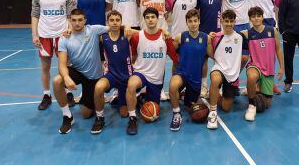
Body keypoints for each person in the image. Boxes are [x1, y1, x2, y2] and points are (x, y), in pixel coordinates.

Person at [52, 9, 114, 134]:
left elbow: (115, 26)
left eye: (80, 20)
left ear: (85, 21)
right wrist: (66, 77)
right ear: (70, 21)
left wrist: (128, 27)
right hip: (78, 72)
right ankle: (67, 116)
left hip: (93, 77)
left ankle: (98, 105)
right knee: (57, 80)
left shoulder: (93, 30)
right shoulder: (64, 38)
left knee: (86, 114)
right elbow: (62, 64)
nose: (77, 23)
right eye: (74, 20)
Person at [125, 7, 179, 135]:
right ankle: (132, 118)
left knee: (153, 110)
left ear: (157, 19)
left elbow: (175, 58)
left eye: (152, 17)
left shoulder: (165, 37)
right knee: (131, 85)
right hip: (141, 73)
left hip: (156, 79)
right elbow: (132, 56)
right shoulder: (137, 37)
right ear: (144, 20)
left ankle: (140, 98)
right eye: (147, 17)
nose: (150, 20)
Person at [31, 0, 75, 110]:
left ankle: (68, 92)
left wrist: (70, 30)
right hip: (44, 36)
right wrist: (34, 35)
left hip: (62, 36)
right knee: (45, 66)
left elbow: (71, 15)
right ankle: (46, 95)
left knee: (64, 66)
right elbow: (35, 15)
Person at [169, 9, 213, 131]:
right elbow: (172, 54)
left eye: (195, 21)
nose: (193, 24)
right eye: (190, 21)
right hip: (182, 73)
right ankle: (176, 114)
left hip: (195, 79)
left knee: (191, 106)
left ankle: (184, 96)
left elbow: (212, 55)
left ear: (199, 22)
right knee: (173, 86)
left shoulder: (206, 38)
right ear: (186, 22)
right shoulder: (180, 37)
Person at [91, 10, 133, 134]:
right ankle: (100, 117)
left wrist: (163, 31)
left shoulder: (127, 33)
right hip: (111, 74)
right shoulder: (102, 36)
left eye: (117, 20)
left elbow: (145, 32)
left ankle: (122, 97)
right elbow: (86, 32)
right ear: (107, 22)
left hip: (126, 76)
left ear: (121, 22)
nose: (115, 23)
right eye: (112, 20)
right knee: (99, 87)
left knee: (124, 114)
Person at [206, 10, 249, 130]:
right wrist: (209, 41)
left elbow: (246, 56)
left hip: (233, 75)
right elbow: (210, 54)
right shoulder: (216, 37)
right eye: (226, 21)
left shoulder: (240, 37)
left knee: (226, 108)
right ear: (221, 21)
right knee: (215, 80)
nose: (229, 24)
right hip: (219, 69)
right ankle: (213, 112)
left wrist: (238, 71)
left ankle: (215, 96)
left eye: (231, 21)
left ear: (235, 22)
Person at [242, 7, 283, 121]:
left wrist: (281, 67)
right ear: (250, 19)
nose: (256, 18)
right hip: (254, 66)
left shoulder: (272, 31)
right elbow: (229, 33)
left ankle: (255, 88)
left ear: (262, 17)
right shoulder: (247, 33)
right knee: (251, 77)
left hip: (268, 69)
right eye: (253, 17)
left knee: (267, 105)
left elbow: (278, 49)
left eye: (258, 16)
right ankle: (251, 105)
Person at [247, 0, 282, 94]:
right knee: (255, 56)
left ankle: (270, 83)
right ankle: (257, 83)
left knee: (270, 56)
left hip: (270, 23)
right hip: (255, 24)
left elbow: (279, 4)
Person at [197, 0, 222, 97]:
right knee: (204, 61)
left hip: (217, 33)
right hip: (203, 33)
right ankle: (204, 85)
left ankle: (219, 85)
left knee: (219, 60)